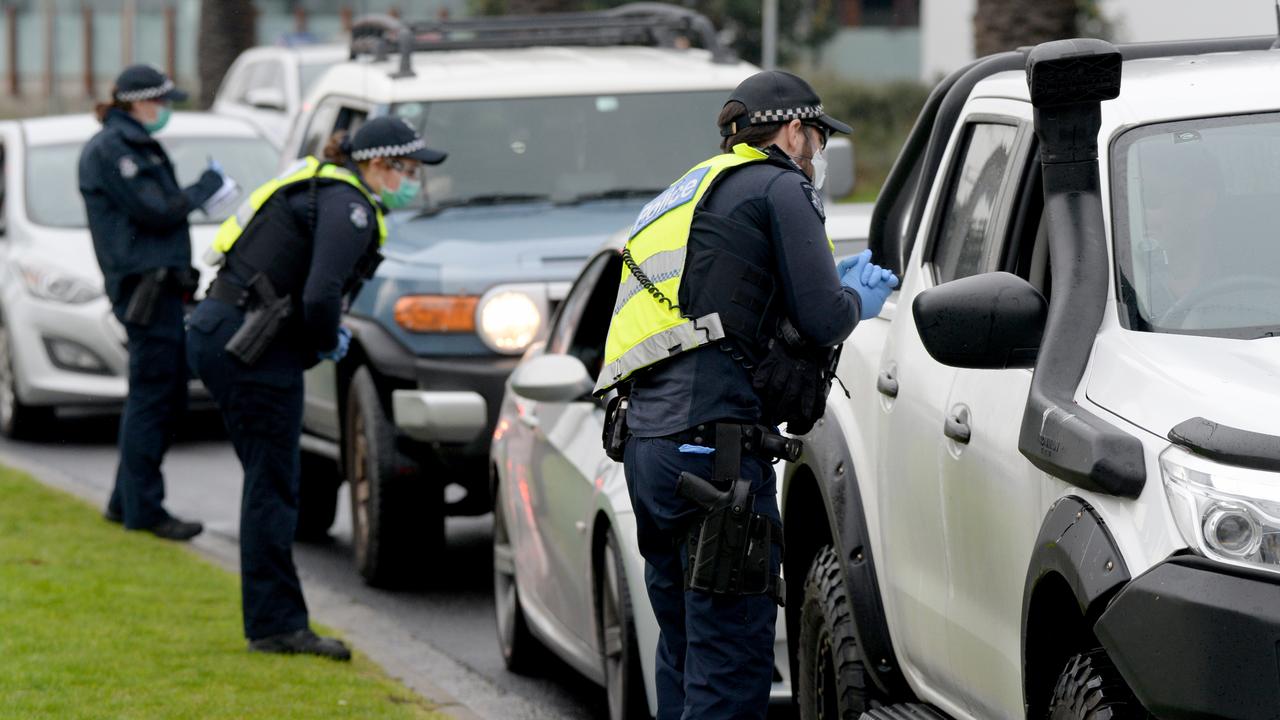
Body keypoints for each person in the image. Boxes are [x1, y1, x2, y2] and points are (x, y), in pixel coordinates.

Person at [594, 70, 898, 720]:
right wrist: (858, 300)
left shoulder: (686, 192)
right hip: (719, 465)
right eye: (816, 138)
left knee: (684, 652)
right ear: (794, 129)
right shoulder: (782, 184)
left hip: (650, 451)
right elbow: (821, 319)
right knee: (730, 667)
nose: (816, 154)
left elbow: (720, 301)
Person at [186, 117, 446, 659]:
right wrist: (327, 339)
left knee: (269, 482)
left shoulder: (324, 185)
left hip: (226, 332)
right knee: (273, 487)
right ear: (379, 163)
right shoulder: (348, 205)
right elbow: (322, 292)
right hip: (251, 347)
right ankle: (277, 625)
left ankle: (273, 619)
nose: (414, 180)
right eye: (409, 169)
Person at [79, 64, 226, 541]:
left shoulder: (129, 144)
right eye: (160, 101)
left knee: (161, 396)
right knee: (154, 399)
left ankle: (126, 501)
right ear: (138, 101)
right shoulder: (114, 150)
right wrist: (205, 189)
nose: (165, 111)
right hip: (147, 289)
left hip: (161, 287)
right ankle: (144, 509)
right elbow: (156, 210)